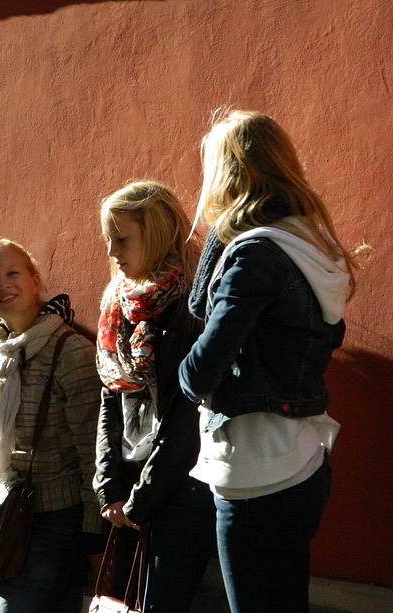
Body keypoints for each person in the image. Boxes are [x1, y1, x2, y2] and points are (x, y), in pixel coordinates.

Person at [179, 109, 357, 613]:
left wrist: (220, 222)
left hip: (252, 468)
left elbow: (198, 370)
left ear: (227, 176)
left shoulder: (254, 255)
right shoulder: (314, 244)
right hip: (303, 453)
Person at [93, 181, 216, 611]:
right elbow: (110, 396)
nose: (112, 251)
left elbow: (186, 414)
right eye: (108, 239)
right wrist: (108, 485)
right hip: (129, 486)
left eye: (122, 239)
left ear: (159, 231)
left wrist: (142, 499)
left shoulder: (192, 305)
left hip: (180, 488)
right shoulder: (118, 303)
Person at [0, 238, 107, 613]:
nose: (3, 285)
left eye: (13, 273)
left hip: (55, 523)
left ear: (34, 280)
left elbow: (93, 451)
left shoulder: (69, 350)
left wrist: (95, 539)